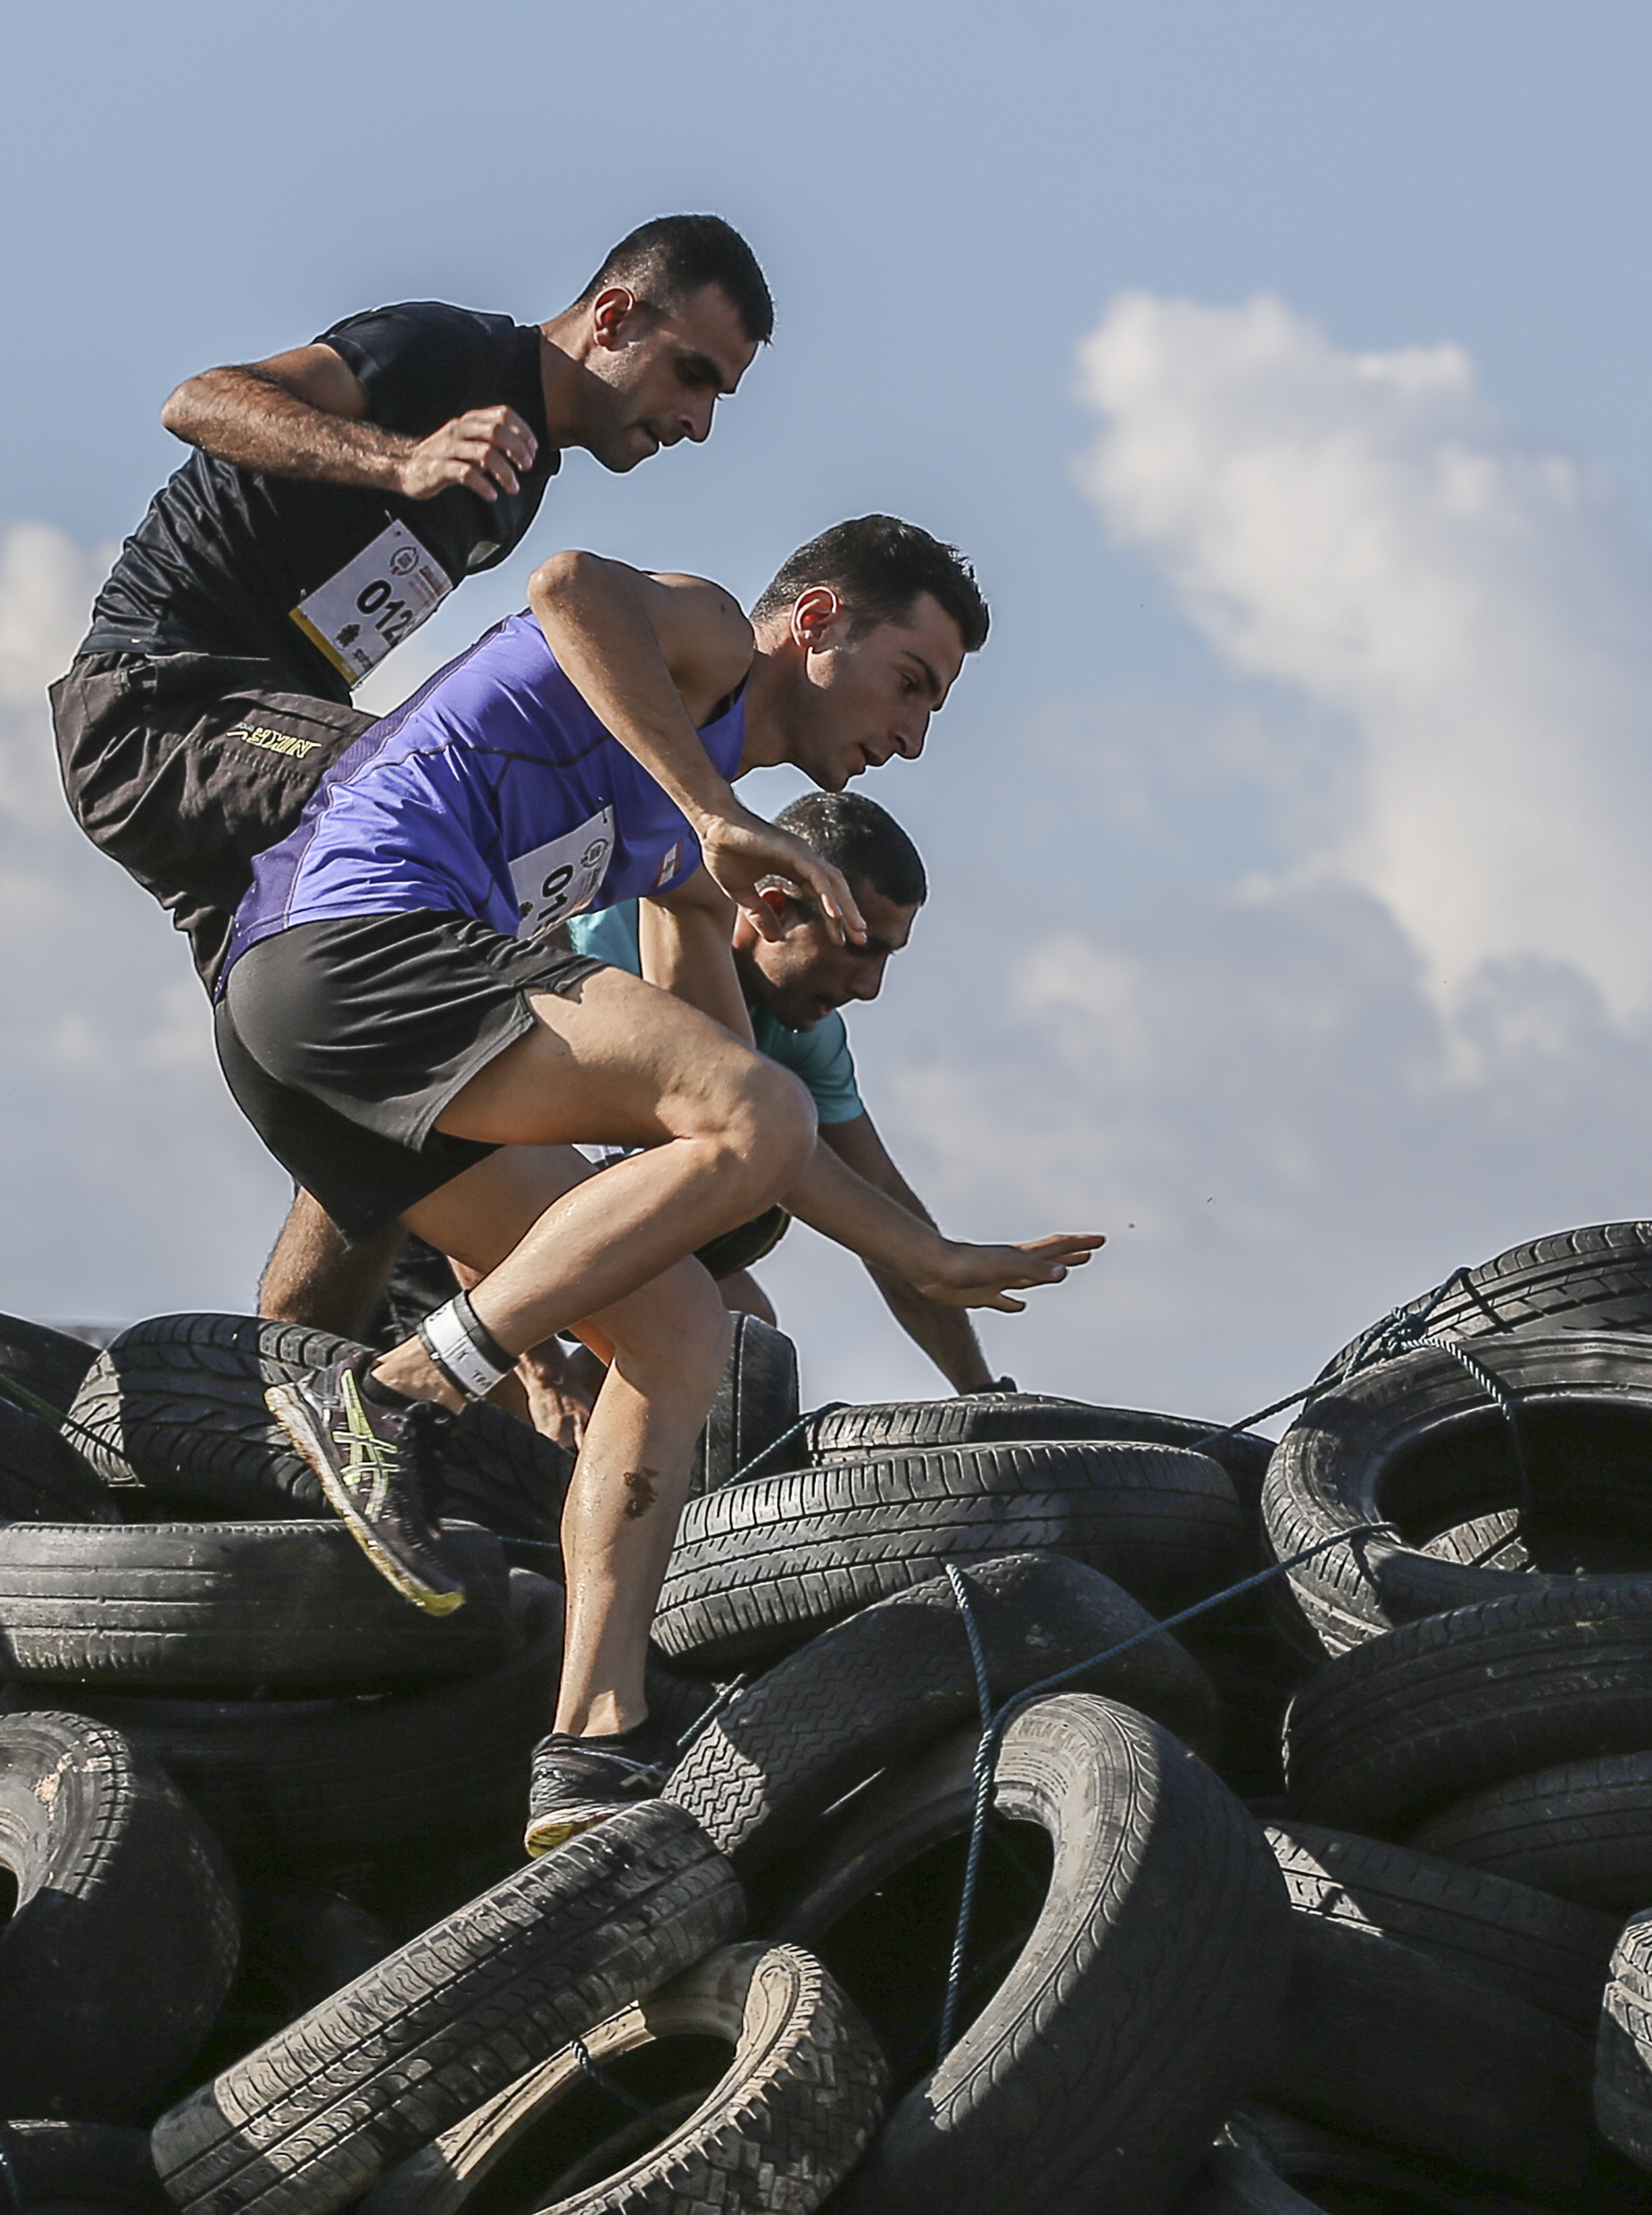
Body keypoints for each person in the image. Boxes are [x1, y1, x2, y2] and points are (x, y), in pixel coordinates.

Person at [212, 513, 1103, 1853]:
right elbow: (567, 584)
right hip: (348, 948)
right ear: (814, 626)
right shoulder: (702, 649)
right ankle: (398, 1391)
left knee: (681, 1327)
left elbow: (750, 1122)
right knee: (749, 1121)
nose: (913, 735)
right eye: (909, 681)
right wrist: (709, 810)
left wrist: (920, 1258)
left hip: (319, 1054)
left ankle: (591, 1739)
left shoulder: (689, 838)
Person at [48, 213, 855, 1332]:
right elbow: (199, 399)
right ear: (614, 315)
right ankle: (477, 1316)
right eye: (690, 375)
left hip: (257, 765)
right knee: (422, 800)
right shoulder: (444, 358)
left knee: (378, 1108)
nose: (698, 422)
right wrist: (399, 455)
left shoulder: (519, 481)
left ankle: (290, 1402)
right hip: (160, 703)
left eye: (719, 396)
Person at [568, 791, 1010, 1395]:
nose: (871, 986)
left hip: (573, 1235)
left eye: (888, 956)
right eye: (860, 947)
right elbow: (459, 1109)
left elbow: (878, 1199)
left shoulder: (806, 1034)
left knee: (740, 1330)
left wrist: (979, 1392)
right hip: (444, 1197)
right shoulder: (601, 937)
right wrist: (536, 1376)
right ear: (771, 908)